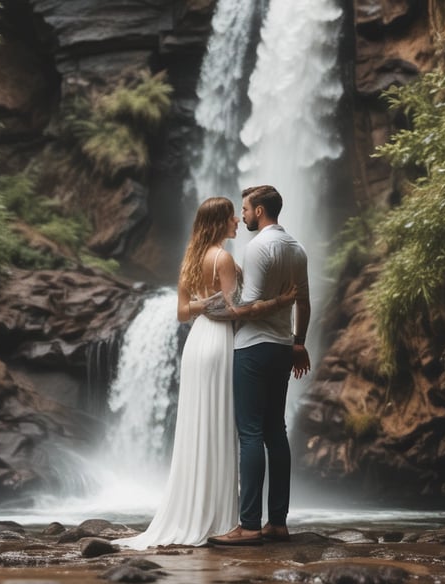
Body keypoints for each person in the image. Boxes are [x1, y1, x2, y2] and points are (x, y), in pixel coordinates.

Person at [113, 196, 295, 549]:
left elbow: (183, 312)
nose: (237, 222)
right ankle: (223, 516)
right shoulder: (223, 258)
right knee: (224, 423)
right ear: (218, 222)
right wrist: (278, 303)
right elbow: (237, 312)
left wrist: (204, 305)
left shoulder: (192, 259)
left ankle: (199, 509)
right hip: (220, 344)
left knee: (203, 423)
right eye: (231, 217)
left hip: (197, 344)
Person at [207, 185, 311, 546]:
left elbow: (247, 304)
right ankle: (278, 522)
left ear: (261, 211)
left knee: (250, 434)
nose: (244, 215)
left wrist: (218, 314)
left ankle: (249, 525)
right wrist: (299, 342)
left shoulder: (257, 247)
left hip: (252, 348)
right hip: (282, 347)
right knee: (275, 432)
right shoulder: (297, 249)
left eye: (247, 209)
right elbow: (305, 303)